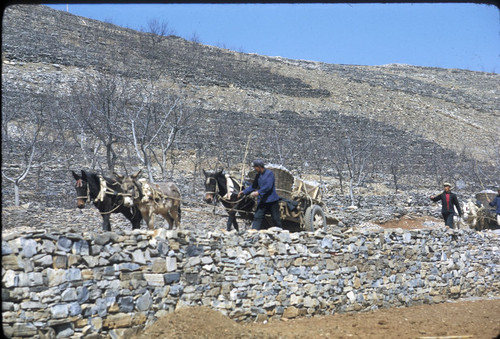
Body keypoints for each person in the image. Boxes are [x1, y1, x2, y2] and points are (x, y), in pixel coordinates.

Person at [238, 160, 282, 230]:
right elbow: (253, 186)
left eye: (255, 167)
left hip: (272, 201)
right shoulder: (258, 176)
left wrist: (258, 192)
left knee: (276, 219)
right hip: (262, 201)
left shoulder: (269, 174)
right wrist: (244, 192)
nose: (254, 169)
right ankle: (254, 232)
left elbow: (268, 186)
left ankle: (281, 232)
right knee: (257, 217)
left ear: (259, 167)